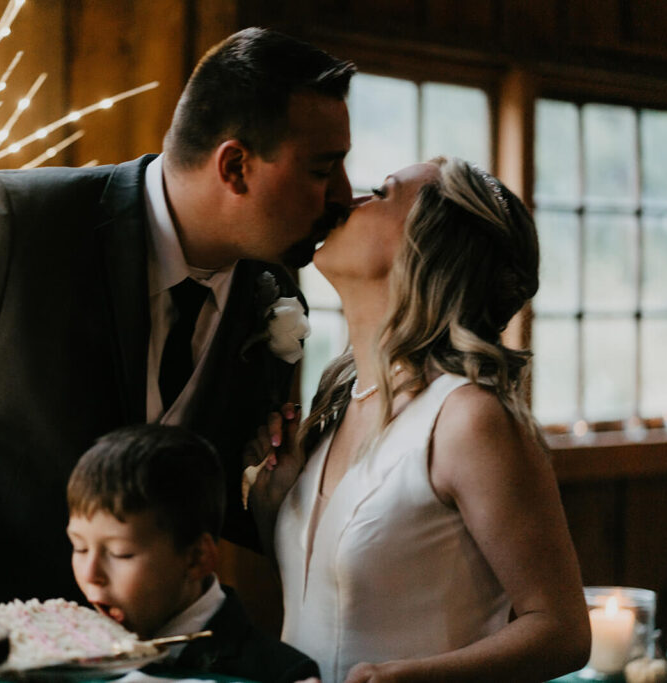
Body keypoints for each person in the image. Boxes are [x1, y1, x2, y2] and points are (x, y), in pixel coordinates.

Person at [0, 28, 355, 605]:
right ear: (236, 166)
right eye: (323, 170)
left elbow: (211, 490)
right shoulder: (20, 222)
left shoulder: (270, 294)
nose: (342, 193)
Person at [247, 158, 591, 682]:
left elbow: (562, 632)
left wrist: (415, 678)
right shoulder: (336, 405)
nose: (348, 201)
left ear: (426, 246)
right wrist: (275, 506)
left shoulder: (468, 419)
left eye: (380, 193)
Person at [67, 424, 320, 683]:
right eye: (80, 547)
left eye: (120, 554)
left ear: (196, 558)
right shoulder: (63, 658)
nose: (90, 574)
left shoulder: (283, 675)